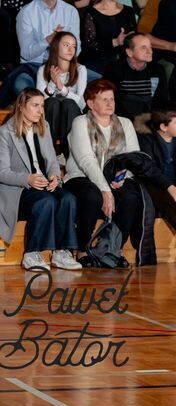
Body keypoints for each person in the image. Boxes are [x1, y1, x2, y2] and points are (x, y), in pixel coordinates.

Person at [0, 88, 82, 271]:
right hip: (19, 188)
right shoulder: (5, 132)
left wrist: (55, 176)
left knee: (68, 199)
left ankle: (61, 252)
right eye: (35, 105)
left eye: (42, 106)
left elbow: (52, 161)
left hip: (42, 183)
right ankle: (32, 253)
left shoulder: (43, 126)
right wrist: (28, 179)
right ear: (21, 106)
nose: (40, 110)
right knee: (46, 201)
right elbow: (1, 172)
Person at [64, 79, 152, 267]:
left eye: (111, 99)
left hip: (115, 179)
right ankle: (82, 249)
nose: (110, 103)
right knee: (92, 195)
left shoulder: (125, 123)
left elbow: (133, 158)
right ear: (90, 103)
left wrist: (121, 177)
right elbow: (86, 161)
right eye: (104, 99)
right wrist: (105, 190)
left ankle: (112, 249)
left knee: (130, 196)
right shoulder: (80, 122)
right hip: (81, 176)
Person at [5, 0, 80, 101]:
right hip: (34, 65)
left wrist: (64, 53)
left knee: (97, 81)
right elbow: (26, 54)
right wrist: (48, 40)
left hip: (64, 66)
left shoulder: (70, 11)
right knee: (21, 85)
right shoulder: (26, 13)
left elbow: (77, 47)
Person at [36, 32, 87, 156]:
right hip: (51, 117)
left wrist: (62, 88)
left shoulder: (80, 70)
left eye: (74, 46)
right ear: (56, 46)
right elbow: (39, 101)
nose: (71, 50)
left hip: (70, 116)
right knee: (52, 102)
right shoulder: (43, 70)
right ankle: (49, 154)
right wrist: (52, 84)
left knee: (69, 103)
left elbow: (81, 104)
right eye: (66, 45)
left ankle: (69, 155)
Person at [81, 0, 137, 75]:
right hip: (98, 63)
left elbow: (134, 38)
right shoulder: (91, 13)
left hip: (124, 61)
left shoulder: (128, 11)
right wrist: (115, 42)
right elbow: (89, 44)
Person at [103, 32, 168, 119]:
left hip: (150, 118)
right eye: (143, 48)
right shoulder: (114, 69)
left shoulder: (158, 70)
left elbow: (162, 101)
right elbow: (111, 101)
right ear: (129, 52)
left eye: (150, 47)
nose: (150, 51)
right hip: (122, 118)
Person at [135, 108, 176, 234]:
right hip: (156, 184)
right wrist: (169, 186)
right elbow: (150, 170)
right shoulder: (146, 141)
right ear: (163, 127)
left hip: (172, 183)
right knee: (169, 202)